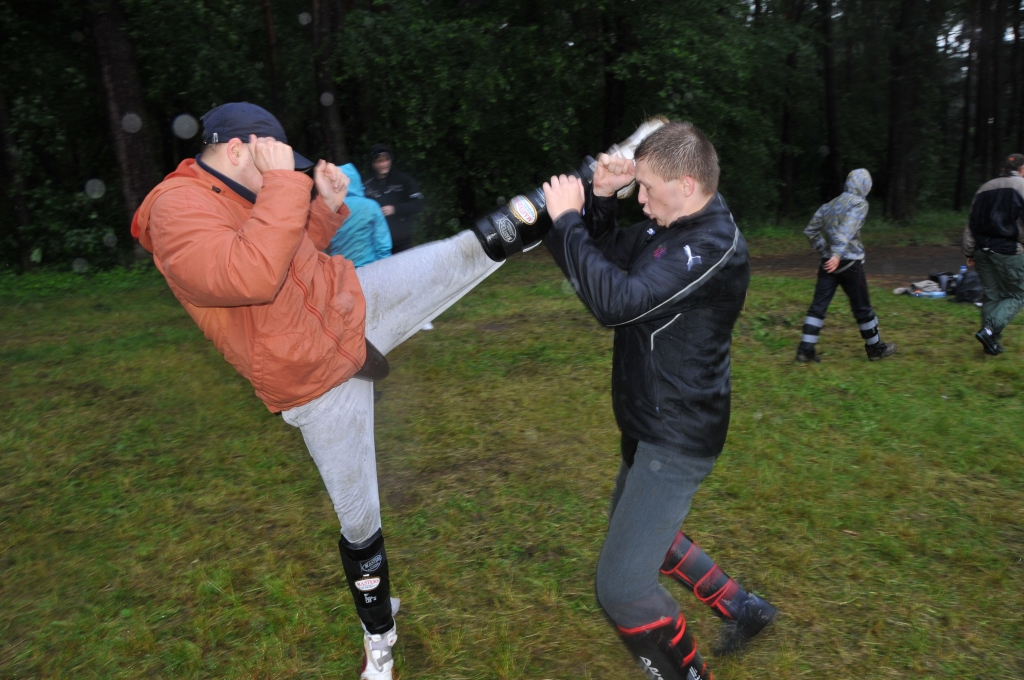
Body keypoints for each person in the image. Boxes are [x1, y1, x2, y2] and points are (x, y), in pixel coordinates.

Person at [130, 102, 506, 680]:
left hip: (349, 304)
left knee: (468, 250)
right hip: (312, 380)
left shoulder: (246, 189)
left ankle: (591, 182)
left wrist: (325, 210)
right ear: (238, 151)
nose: (288, 176)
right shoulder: (174, 210)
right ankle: (379, 634)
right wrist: (285, 185)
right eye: (277, 164)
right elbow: (248, 274)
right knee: (361, 521)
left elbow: (288, 249)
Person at [540, 121, 777, 680]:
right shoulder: (669, 227)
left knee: (621, 587)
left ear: (688, 184)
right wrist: (596, 201)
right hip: (648, 421)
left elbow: (615, 304)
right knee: (639, 527)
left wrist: (567, 217)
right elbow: (596, 259)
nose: (639, 201)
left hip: (677, 436)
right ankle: (744, 607)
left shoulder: (711, 247)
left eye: (646, 189)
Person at [796, 168, 897, 363]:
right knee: (862, 307)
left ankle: (805, 350)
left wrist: (826, 251)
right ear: (865, 186)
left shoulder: (830, 205)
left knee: (818, 307)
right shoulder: (859, 204)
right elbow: (847, 229)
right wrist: (837, 254)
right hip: (849, 263)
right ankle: (875, 348)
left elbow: (810, 231)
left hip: (828, 264)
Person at [961, 153, 1024, 355]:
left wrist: (969, 251)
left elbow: (972, 223)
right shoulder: (1021, 187)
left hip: (982, 250)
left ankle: (991, 344)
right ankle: (989, 332)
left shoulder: (984, 188)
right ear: (1022, 169)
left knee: (992, 296)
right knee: (1018, 294)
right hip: (1008, 251)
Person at [326, 163, 392, 266]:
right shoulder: (371, 206)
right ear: (356, 180)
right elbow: (383, 244)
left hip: (341, 275)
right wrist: (383, 268)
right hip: (370, 269)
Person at [363, 144, 425, 254]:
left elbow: (419, 204)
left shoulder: (404, 180)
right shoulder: (367, 186)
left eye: (386, 159)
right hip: (377, 245)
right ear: (372, 164)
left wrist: (395, 209)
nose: (383, 164)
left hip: (403, 243)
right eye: (379, 161)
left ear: (391, 160)